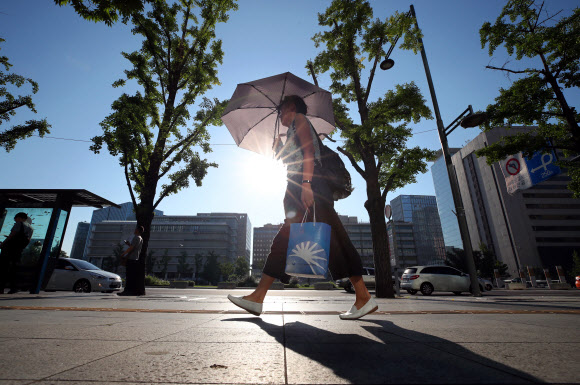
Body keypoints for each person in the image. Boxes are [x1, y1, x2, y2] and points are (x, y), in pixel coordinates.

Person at [228, 95, 377, 320]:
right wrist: (279, 149)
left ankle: (363, 296)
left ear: (290, 107)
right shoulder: (292, 130)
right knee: (311, 239)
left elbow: (308, 153)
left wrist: (306, 185)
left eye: (280, 112)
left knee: (326, 240)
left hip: (309, 187)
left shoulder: (300, 119)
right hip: (301, 188)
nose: (280, 116)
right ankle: (258, 297)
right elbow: (295, 159)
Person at [0, 212, 34, 294]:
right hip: (18, 251)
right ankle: (14, 287)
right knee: (14, 269)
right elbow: (28, 240)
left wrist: (3, 243)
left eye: (16, 218)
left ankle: (1, 288)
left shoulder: (19, 224)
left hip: (9, 249)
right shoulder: (31, 228)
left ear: (20, 218)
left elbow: (12, 235)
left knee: (3, 268)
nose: (15, 220)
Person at [117, 226, 144, 296]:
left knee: (129, 275)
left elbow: (132, 248)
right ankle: (131, 291)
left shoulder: (136, 237)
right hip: (135, 258)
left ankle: (127, 291)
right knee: (132, 275)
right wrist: (129, 244)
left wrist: (123, 253)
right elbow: (134, 247)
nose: (134, 230)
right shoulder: (141, 238)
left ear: (138, 230)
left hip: (131, 258)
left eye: (136, 229)